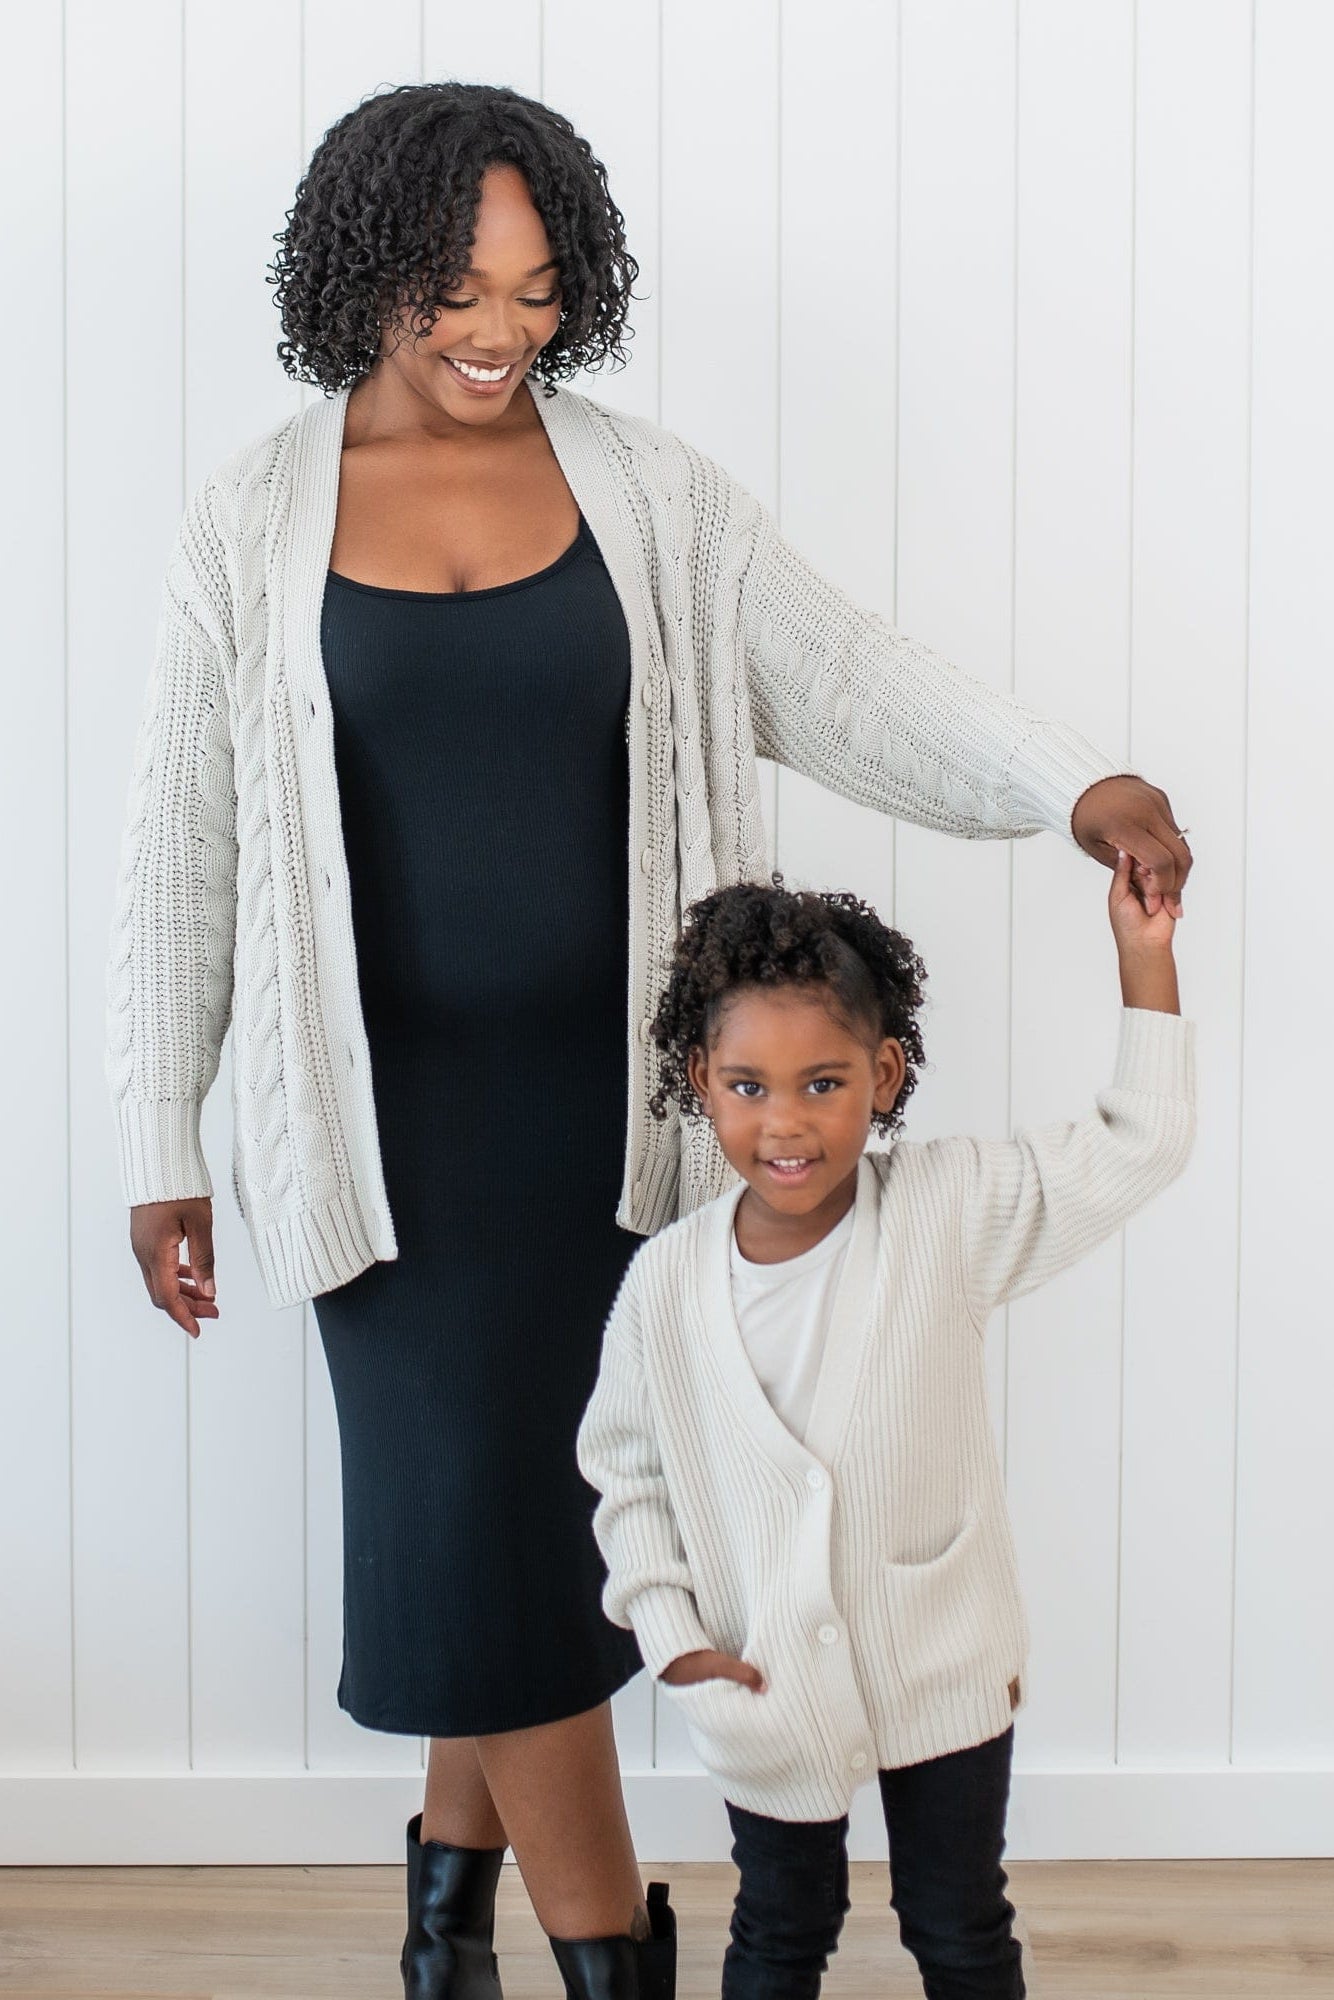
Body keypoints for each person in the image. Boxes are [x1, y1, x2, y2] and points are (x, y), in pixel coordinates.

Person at [104, 77, 1191, 2000]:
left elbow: (847, 672)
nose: (497, 332)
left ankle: (447, 1927)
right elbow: (182, 857)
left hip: (613, 1140)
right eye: (454, 287)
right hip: (385, 1142)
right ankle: (612, 1956)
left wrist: (1066, 785)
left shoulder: (653, 497)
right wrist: (160, 1143)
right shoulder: (246, 521)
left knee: (522, 1545)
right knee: (480, 1543)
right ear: (362, 272)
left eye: (534, 292)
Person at [577, 859, 1194, 1998]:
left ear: (883, 1074)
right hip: (758, 1675)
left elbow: (1135, 1147)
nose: (786, 1122)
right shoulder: (663, 1285)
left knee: (957, 1921)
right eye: (748, 1085)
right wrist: (673, 1638)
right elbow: (626, 1475)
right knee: (778, 1924)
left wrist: (1143, 958)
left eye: (821, 1082)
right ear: (699, 1080)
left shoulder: (946, 1210)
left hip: (939, 1653)